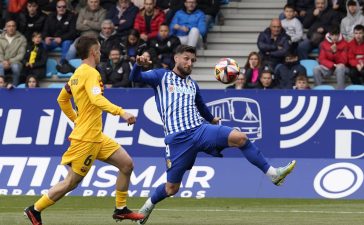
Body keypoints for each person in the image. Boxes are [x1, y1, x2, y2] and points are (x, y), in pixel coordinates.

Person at [129, 44, 296, 225]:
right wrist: (139, 64)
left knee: (240, 138)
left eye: (192, 60)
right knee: (171, 188)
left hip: (200, 130)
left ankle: (273, 174)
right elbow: (135, 77)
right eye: (186, 58)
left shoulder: (192, 85)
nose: (189, 63)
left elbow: (201, 107)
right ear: (176, 58)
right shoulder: (161, 76)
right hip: (177, 140)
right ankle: (147, 206)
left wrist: (212, 119)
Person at [24, 36, 144, 225]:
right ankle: (35, 209)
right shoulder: (90, 73)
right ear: (93, 52)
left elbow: (62, 99)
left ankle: (120, 209)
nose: (100, 53)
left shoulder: (77, 73)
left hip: (96, 136)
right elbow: (97, 100)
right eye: (98, 50)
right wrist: (121, 112)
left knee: (127, 164)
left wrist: (76, 119)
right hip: (86, 139)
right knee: (71, 182)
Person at [0, 20, 27, 86]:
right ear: (5, 28)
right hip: (2, 61)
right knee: (0, 66)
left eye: (13, 26)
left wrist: (9, 61)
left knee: (16, 67)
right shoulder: (0, 38)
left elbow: (21, 54)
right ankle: (1, 87)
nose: (11, 28)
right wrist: (4, 61)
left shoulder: (22, 39)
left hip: (16, 62)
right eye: (9, 26)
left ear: (15, 27)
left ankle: (15, 87)